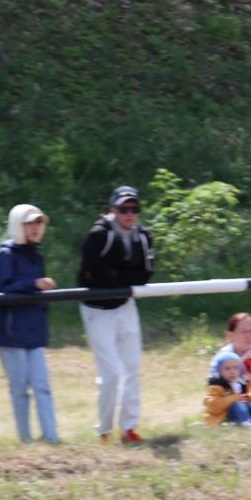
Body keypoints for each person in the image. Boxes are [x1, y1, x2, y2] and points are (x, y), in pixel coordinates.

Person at [77, 185, 153, 444]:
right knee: (111, 373)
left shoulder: (143, 236)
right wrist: (119, 279)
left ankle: (129, 428)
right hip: (97, 309)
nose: (130, 214)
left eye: (134, 208)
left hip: (125, 306)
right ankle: (104, 430)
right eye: (124, 209)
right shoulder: (98, 235)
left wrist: (114, 278)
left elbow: (145, 275)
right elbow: (89, 272)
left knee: (133, 368)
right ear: (112, 210)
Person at [0, 204, 60, 444]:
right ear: (18, 225)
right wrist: (33, 284)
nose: (35, 228)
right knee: (20, 390)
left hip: (33, 331)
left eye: (38, 223)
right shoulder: (6, 254)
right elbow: (0, 290)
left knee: (42, 386)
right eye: (29, 223)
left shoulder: (36, 254)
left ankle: (52, 437)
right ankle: (26, 441)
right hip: (9, 332)